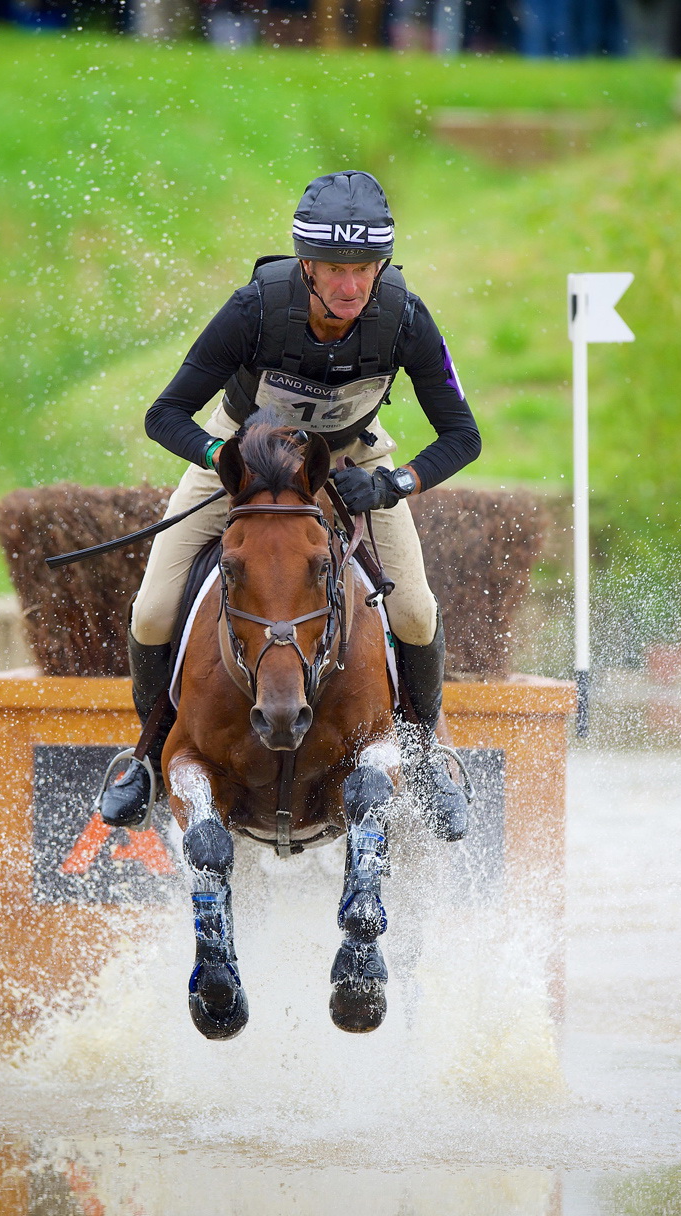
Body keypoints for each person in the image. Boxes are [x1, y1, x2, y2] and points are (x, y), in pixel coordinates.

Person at [100, 170, 482, 840]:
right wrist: (224, 461)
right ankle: (147, 760)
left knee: (416, 610)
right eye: (335, 270)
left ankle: (426, 757)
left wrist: (394, 486)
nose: (350, 287)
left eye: (365, 269)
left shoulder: (406, 319)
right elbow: (164, 415)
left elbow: (463, 436)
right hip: (242, 456)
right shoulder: (253, 309)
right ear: (305, 266)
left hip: (355, 459)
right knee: (154, 607)